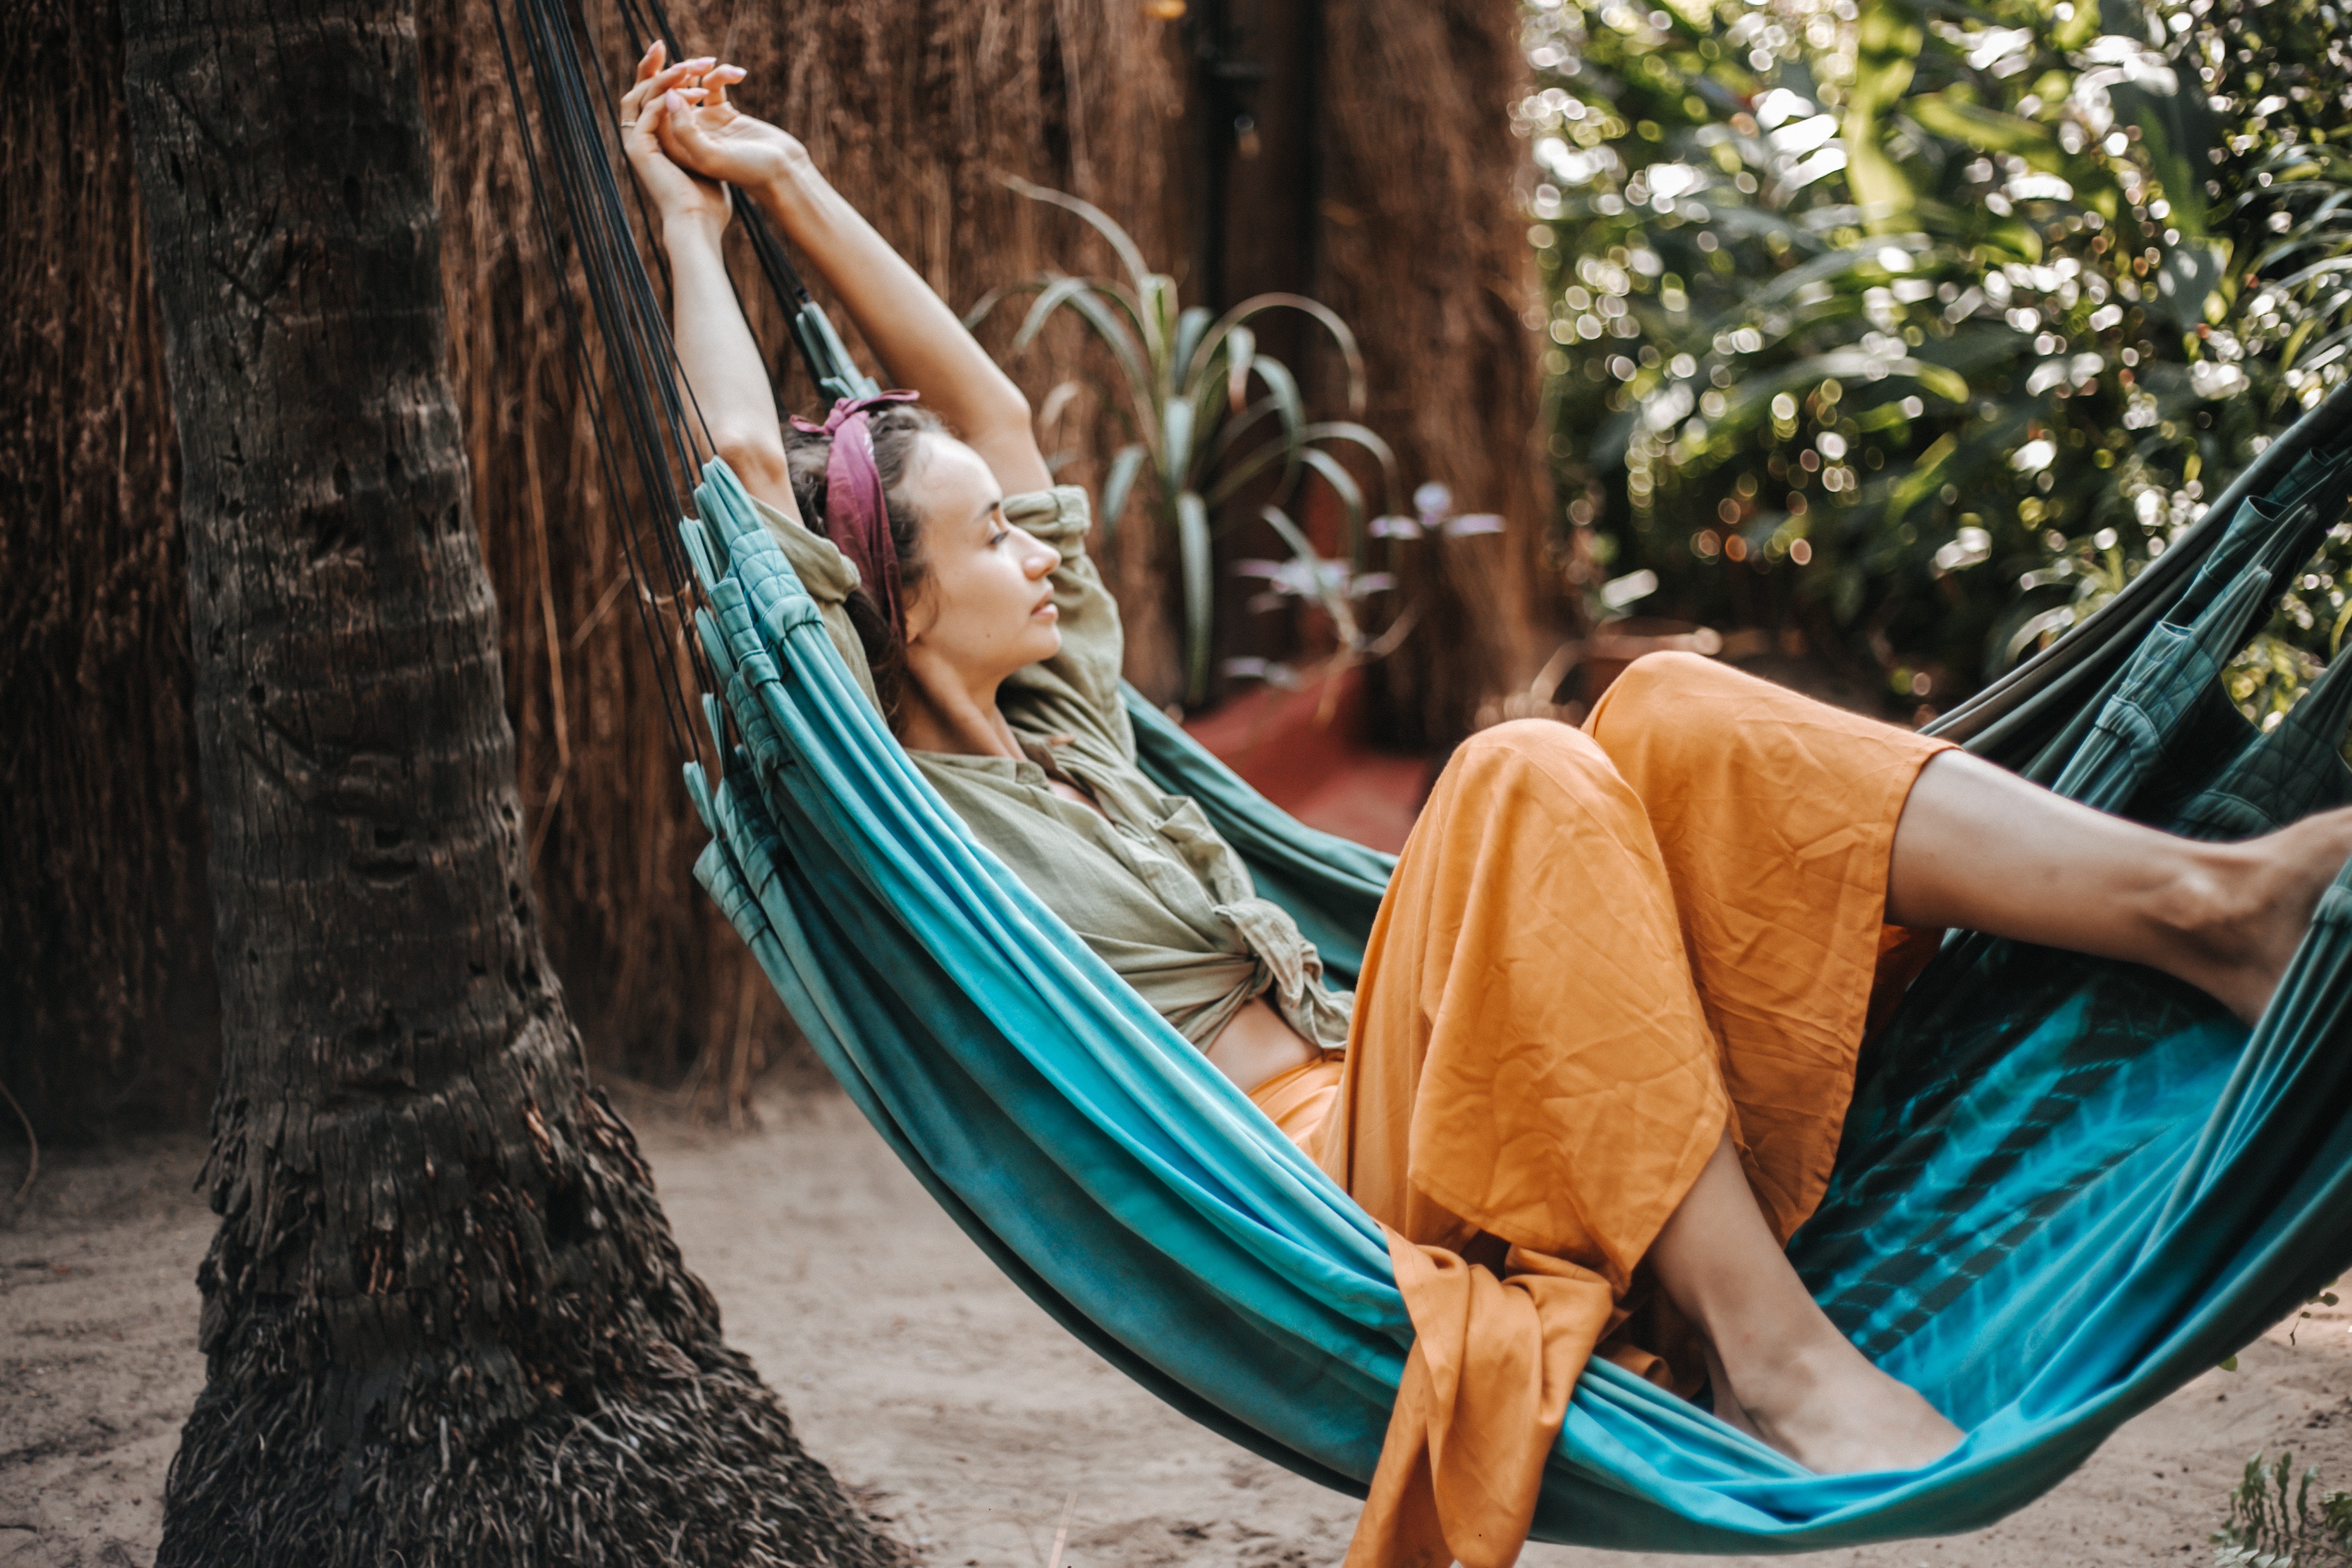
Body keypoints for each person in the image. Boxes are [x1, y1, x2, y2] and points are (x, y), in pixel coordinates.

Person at [617, 37, 2352, 1547]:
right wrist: (691, 232)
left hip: (1433, 1068)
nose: (1033, 545)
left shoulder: (1063, 722)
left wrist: (787, 178)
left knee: (1661, 709)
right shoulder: (908, 815)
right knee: (1523, 772)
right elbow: (762, 482)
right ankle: (1778, 1363)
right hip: (1320, 1189)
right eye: (988, 544)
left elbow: (991, 409)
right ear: (894, 604)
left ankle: (2212, 907)